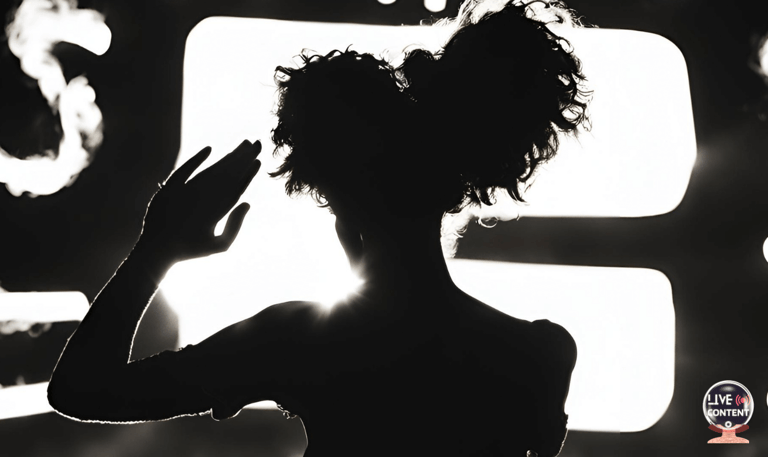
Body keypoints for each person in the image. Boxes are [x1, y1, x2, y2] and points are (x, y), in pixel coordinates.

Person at [48, 1, 590, 455]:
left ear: (340, 205)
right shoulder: (539, 355)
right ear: (453, 189)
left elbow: (80, 391)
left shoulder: (300, 341)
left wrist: (157, 250)